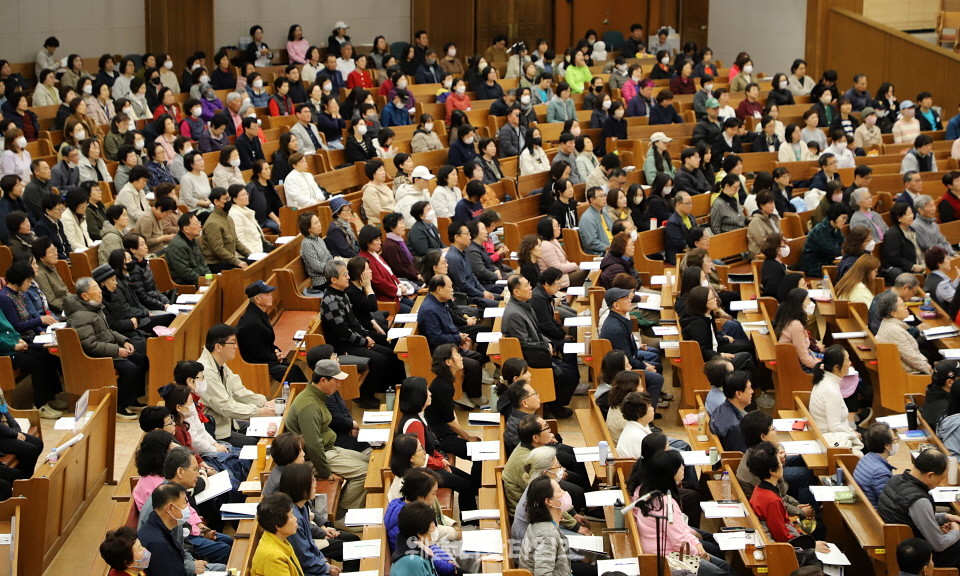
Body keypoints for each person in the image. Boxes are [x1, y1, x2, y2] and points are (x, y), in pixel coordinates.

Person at [62, 274, 148, 418]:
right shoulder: (80, 316)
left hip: (109, 348)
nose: (100, 291)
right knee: (130, 369)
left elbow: (108, 331)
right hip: (98, 356)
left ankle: (131, 399)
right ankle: (119, 406)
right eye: (95, 288)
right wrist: (117, 350)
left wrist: (124, 341)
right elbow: (90, 345)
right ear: (85, 296)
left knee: (141, 360)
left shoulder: (94, 308)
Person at [633, 450, 731, 576]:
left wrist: (696, 543)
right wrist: (698, 553)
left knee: (724, 565)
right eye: (680, 465)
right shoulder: (665, 503)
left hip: (665, 551)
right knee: (722, 571)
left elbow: (680, 529)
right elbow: (679, 542)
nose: (683, 467)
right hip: (668, 558)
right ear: (671, 472)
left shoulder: (650, 493)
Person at [320, 260, 403, 406]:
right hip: (343, 346)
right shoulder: (331, 300)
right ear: (334, 279)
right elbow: (342, 331)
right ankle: (364, 395)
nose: (348, 277)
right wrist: (363, 341)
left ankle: (389, 387)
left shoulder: (341, 294)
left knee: (390, 353)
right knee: (380, 360)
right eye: (344, 275)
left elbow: (354, 322)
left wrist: (365, 336)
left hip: (353, 340)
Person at [502, 275, 578, 419]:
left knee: (570, 370)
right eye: (526, 285)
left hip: (538, 351)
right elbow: (523, 343)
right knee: (569, 375)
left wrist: (548, 343)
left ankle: (553, 403)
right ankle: (554, 406)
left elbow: (537, 332)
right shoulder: (514, 314)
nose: (531, 287)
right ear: (516, 292)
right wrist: (545, 348)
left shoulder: (525, 305)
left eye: (529, 284)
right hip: (530, 358)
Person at [878, 448, 960, 568]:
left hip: (899, 545)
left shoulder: (895, 479)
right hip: (916, 557)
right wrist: (956, 531)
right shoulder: (919, 500)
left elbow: (913, 517)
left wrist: (945, 517)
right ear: (930, 475)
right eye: (941, 479)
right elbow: (939, 544)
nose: (939, 483)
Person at [197, 323, 273, 445]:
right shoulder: (206, 371)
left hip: (228, 423)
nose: (236, 347)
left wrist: (263, 403)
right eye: (232, 343)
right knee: (256, 443)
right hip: (215, 431)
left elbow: (238, 391)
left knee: (268, 430)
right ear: (218, 347)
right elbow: (226, 406)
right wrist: (258, 412)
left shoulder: (220, 364)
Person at [747, 442, 830, 551]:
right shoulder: (772, 500)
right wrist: (812, 546)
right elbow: (783, 538)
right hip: (786, 548)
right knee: (820, 532)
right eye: (779, 462)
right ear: (772, 471)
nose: (782, 465)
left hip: (787, 533)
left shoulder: (760, 488)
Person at [517, 476, 574, 576]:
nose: (564, 493)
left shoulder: (541, 521)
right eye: (559, 490)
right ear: (549, 501)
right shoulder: (547, 535)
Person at [137, 483, 197, 576]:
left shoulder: (157, 528)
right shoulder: (158, 544)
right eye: (185, 502)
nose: (187, 507)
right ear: (171, 508)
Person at [249, 493, 304, 576]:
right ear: (278, 525)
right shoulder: (273, 557)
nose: (295, 519)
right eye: (291, 516)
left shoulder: (278, 539)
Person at [853, 422, 897, 507]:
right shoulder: (880, 472)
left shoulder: (866, 458)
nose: (896, 443)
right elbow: (888, 503)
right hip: (875, 512)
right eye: (894, 440)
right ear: (887, 446)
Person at [799, 203, 847, 277]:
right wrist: (849, 250)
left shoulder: (835, 227)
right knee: (846, 272)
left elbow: (844, 243)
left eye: (846, 218)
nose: (845, 221)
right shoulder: (821, 230)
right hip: (814, 267)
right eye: (843, 218)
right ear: (834, 216)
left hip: (827, 262)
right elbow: (834, 250)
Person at [882, 202, 926, 279]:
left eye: (911, 213)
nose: (912, 216)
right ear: (899, 217)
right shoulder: (892, 234)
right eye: (908, 214)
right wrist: (912, 266)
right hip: (906, 269)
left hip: (920, 264)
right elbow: (894, 258)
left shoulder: (911, 229)